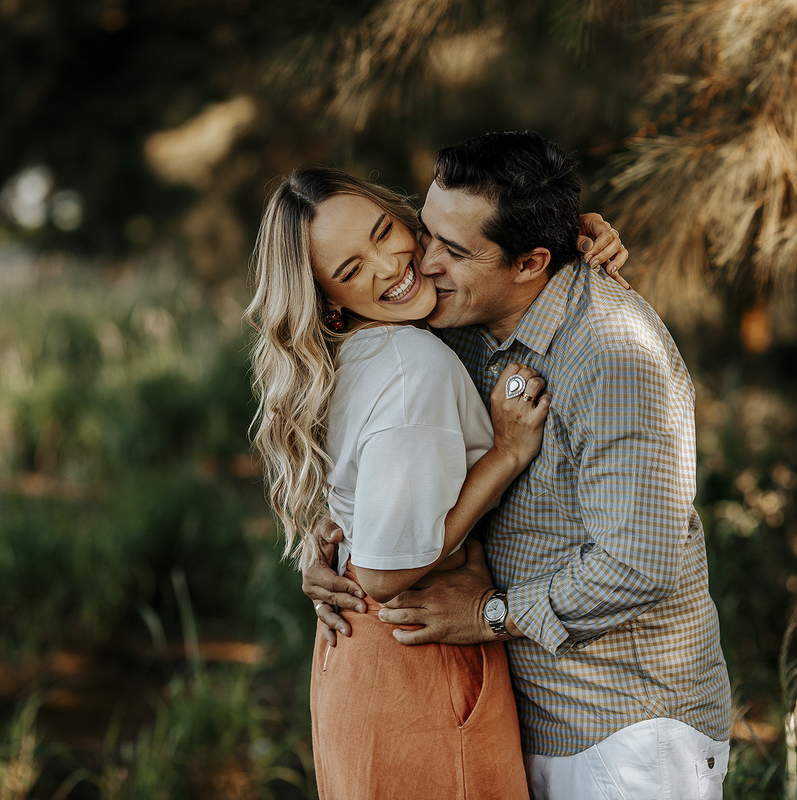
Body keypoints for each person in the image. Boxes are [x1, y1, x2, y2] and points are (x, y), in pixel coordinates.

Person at [304, 131, 733, 800]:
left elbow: (640, 562)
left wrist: (490, 615)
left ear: (531, 263)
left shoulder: (611, 356)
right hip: (520, 715)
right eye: (426, 231)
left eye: (454, 250)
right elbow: (383, 440)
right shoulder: (458, 317)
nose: (420, 263)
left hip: (624, 731)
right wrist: (330, 538)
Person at [246, 165, 624, 799]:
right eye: (349, 270)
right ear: (329, 300)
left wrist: (570, 235)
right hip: (417, 656)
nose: (389, 266)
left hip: (363, 665)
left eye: (384, 232)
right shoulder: (409, 364)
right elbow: (384, 574)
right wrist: (505, 454)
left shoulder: (372, 349)